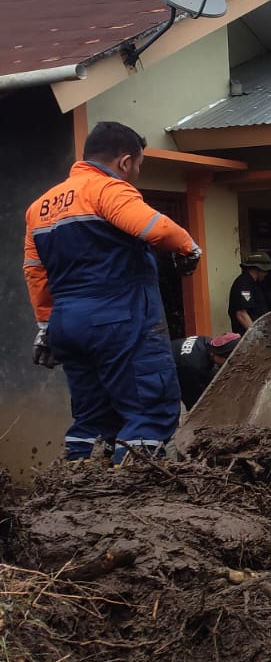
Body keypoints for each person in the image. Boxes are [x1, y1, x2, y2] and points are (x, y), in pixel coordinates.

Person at [24, 121, 202, 463]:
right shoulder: (107, 189)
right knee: (149, 408)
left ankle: (78, 490)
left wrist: (46, 325)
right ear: (124, 162)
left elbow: (35, 271)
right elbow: (156, 228)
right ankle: (130, 503)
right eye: (138, 165)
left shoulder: (40, 208)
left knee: (92, 415)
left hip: (67, 325)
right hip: (121, 321)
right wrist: (189, 248)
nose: (136, 173)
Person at [171, 333, 241, 409]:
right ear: (217, 354)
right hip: (163, 373)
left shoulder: (206, 341)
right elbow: (193, 402)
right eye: (228, 360)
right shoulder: (195, 366)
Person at [229, 251, 271, 334]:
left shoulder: (256, 284)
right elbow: (241, 314)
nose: (266, 273)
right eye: (265, 270)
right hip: (247, 337)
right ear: (256, 269)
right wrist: (255, 335)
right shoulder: (244, 284)